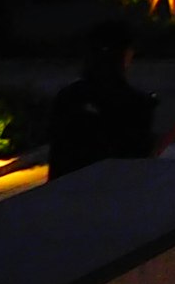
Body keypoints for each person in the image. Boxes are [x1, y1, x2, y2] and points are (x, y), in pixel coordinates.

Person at [47, 26, 160, 178]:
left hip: (67, 192)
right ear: (125, 56)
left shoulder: (68, 97)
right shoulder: (136, 103)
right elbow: (137, 159)